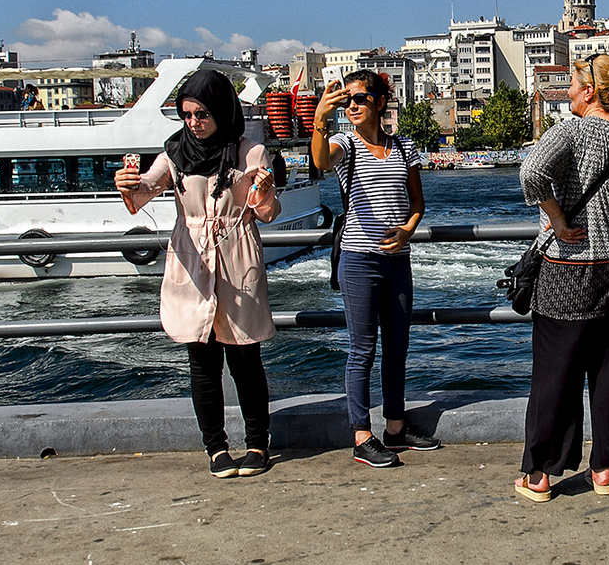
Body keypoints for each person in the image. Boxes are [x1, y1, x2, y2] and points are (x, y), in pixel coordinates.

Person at [114, 68, 280, 478]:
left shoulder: (251, 153)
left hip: (237, 258)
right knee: (201, 357)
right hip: (191, 259)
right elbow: (144, 192)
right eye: (187, 114)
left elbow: (268, 213)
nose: (194, 122)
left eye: (202, 113)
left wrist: (264, 191)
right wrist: (127, 184)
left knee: (245, 356)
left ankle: (258, 443)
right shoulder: (174, 153)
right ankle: (215, 448)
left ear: (222, 110)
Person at [514, 54, 609, 503]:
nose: (568, 92)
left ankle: (541, 475)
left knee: (556, 372)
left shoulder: (570, 131)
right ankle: (604, 469)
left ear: (591, 91)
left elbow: (532, 173)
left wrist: (557, 221)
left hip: (570, 270)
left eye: (574, 84)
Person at [310, 69, 436, 468]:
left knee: (397, 347)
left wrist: (407, 231)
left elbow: (417, 203)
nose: (352, 106)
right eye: (347, 100)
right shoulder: (343, 143)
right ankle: (361, 435)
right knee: (362, 349)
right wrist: (319, 119)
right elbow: (319, 161)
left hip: (397, 261)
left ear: (380, 102)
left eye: (360, 98)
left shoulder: (403, 147)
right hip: (359, 260)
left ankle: (395, 429)